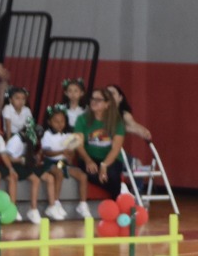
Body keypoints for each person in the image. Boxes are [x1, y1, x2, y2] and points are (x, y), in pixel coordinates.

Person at [69, 88, 129, 216]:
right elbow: (76, 143)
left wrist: (104, 165)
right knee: (95, 173)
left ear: (107, 104)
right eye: (92, 99)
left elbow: (116, 148)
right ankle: (120, 198)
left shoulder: (117, 122)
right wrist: (88, 160)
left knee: (111, 175)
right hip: (89, 157)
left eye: (98, 100)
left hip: (110, 159)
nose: (94, 102)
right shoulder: (82, 119)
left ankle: (116, 208)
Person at [38, 106, 77, 220]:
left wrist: (70, 155)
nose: (60, 124)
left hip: (61, 162)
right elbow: (47, 152)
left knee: (79, 174)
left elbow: (71, 151)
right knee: (58, 173)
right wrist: (61, 151)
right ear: (49, 122)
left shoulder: (68, 135)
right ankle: (53, 203)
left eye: (62, 121)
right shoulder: (47, 135)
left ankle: (56, 202)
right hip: (49, 162)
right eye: (56, 121)